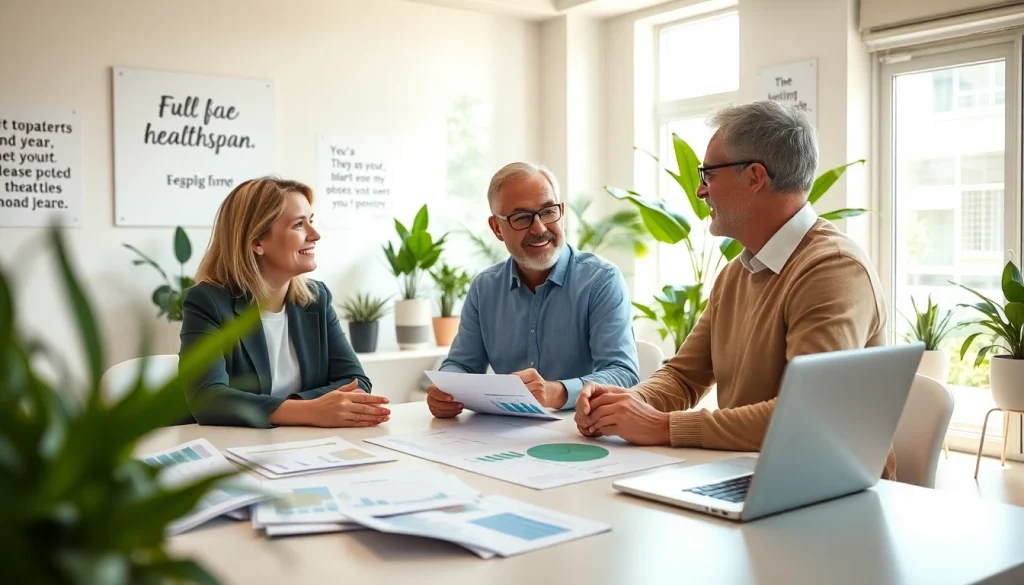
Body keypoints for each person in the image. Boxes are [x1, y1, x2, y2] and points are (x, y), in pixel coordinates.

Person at [574, 101, 897, 480]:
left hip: (827, 491)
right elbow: (683, 376)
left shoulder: (834, 269)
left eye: (708, 174)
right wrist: (628, 403)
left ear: (755, 177)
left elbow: (806, 415)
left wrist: (663, 426)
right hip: (752, 476)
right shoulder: (736, 274)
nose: (699, 190)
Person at [427, 162, 640, 418]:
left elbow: (623, 373)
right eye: (521, 218)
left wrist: (555, 392)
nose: (539, 228)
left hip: (579, 432)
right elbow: (461, 364)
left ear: (561, 211)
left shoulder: (601, 281)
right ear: (496, 228)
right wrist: (446, 389)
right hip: (501, 435)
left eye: (548, 212)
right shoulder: (485, 288)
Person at [179, 177, 390, 428]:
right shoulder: (208, 302)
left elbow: (355, 381)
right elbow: (207, 398)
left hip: (303, 447)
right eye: (299, 225)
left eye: (311, 221)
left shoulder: (316, 299)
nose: (315, 235)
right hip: (233, 451)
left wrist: (301, 408)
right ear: (257, 241)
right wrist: (309, 411)